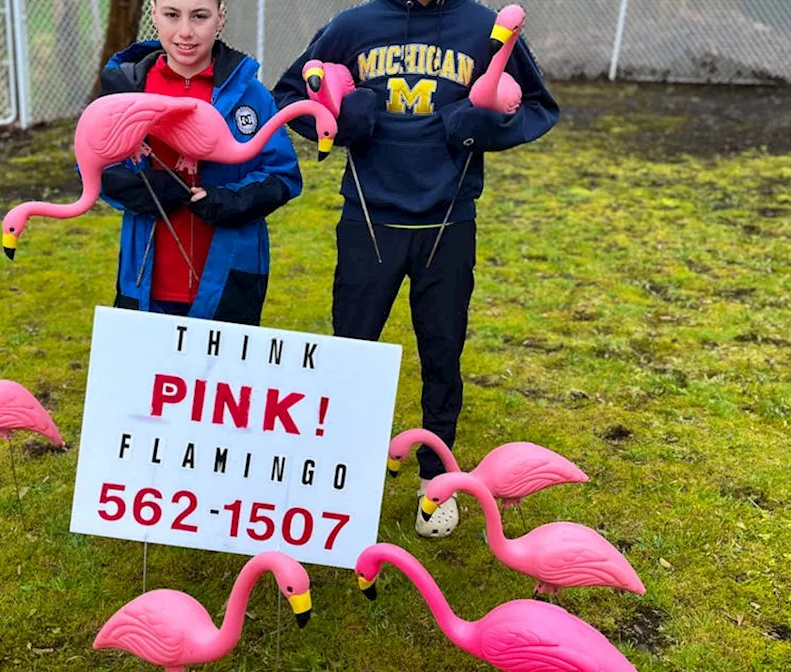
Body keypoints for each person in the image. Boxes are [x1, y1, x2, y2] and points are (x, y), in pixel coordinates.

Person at [272, 0, 559, 537]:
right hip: (369, 217)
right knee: (350, 351)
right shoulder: (353, 25)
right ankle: (342, 476)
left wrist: (483, 129)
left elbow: (539, 107)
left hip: (448, 219)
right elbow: (289, 94)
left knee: (442, 352)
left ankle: (436, 481)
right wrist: (338, 121)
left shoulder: (483, 27)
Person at [93, 0, 302, 325]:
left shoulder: (252, 95)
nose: (186, 32)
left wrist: (231, 200)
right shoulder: (126, 90)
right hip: (146, 276)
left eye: (200, 16)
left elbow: (283, 174)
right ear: (154, 14)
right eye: (172, 15)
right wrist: (134, 187)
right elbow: (93, 161)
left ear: (220, 17)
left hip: (232, 275)